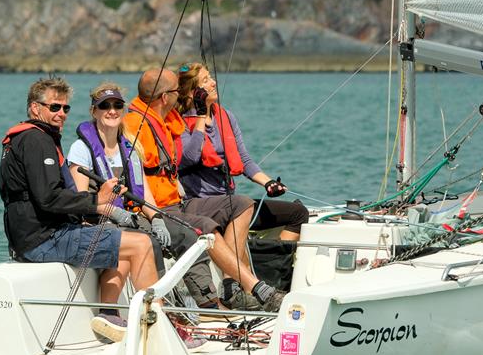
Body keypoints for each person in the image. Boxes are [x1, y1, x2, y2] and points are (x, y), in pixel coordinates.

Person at [0, 77, 200, 349]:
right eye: (54, 108)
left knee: (126, 239)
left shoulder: (31, 138)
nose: (61, 115)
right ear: (35, 109)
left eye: (66, 109)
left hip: (36, 236)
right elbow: (48, 199)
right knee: (141, 244)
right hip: (43, 239)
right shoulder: (37, 141)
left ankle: (114, 316)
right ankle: (159, 329)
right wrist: (98, 200)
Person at [123, 69, 286, 312]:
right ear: (165, 97)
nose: (181, 96)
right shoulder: (136, 125)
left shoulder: (166, 119)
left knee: (241, 204)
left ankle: (232, 285)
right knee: (205, 227)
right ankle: (259, 289)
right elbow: (186, 158)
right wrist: (154, 215)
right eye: (177, 92)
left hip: (176, 201)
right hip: (159, 208)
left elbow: (241, 157)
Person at [67, 82, 218, 314]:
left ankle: (207, 304)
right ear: (94, 111)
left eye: (117, 105)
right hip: (100, 219)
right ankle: (155, 310)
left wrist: (156, 217)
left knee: (186, 235)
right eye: (104, 106)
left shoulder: (129, 146)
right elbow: (81, 201)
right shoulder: (81, 149)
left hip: (135, 215)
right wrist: (115, 213)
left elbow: (144, 193)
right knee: (147, 243)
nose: (112, 110)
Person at [175, 62, 309, 243]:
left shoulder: (226, 117)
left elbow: (243, 159)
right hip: (201, 205)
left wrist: (267, 182)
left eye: (211, 77)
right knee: (241, 205)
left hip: (231, 203)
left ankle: (273, 263)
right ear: (193, 93)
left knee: (298, 214)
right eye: (206, 80)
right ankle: (237, 269)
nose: (214, 83)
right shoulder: (180, 124)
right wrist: (199, 115)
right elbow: (190, 158)